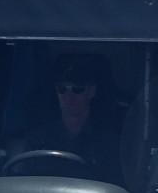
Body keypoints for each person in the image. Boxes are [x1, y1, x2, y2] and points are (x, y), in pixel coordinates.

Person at [15, 54, 125, 184]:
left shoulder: (108, 143)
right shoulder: (37, 141)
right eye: (62, 89)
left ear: (91, 91)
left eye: (77, 89)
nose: (69, 96)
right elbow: (25, 184)